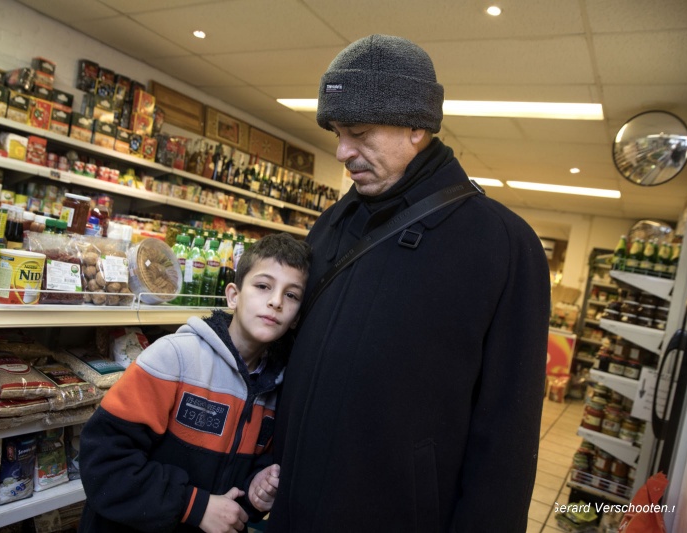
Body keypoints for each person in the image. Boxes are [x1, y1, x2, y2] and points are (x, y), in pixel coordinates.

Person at [268, 35, 551, 532]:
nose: (341, 151)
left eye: (358, 132)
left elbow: (507, 436)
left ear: (418, 127)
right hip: (292, 509)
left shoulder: (503, 245)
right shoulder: (334, 222)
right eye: (336, 131)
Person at [79, 232, 311, 533]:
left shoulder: (275, 391)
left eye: (291, 295)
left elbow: (236, 485)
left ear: (296, 317)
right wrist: (195, 506)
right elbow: (104, 464)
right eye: (263, 286)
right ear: (233, 295)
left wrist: (256, 488)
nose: (276, 301)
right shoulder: (173, 359)